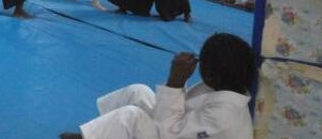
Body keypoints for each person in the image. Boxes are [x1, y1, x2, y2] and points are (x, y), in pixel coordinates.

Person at [59, 33, 255, 139]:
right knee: (139, 92)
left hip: (171, 133)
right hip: (175, 129)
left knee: (132, 117)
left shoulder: (225, 117)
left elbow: (168, 134)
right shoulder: (223, 85)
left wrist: (175, 82)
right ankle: (98, 134)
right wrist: (176, 86)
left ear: (212, 75)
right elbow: (181, 112)